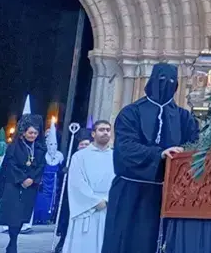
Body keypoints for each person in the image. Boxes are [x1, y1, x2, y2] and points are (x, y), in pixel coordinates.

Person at [102, 63, 199, 253]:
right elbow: (126, 147)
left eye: (171, 81)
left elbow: (194, 146)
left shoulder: (184, 117)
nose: (166, 85)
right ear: (152, 81)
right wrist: (159, 153)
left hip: (168, 193)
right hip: (131, 192)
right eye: (161, 81)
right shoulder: (131, 112)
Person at [62, 120, 114, 253]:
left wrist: (108, 199)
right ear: (93, 133)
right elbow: (76, 183)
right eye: (101, 130)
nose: (105, 132)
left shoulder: (115, 156)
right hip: (85, 209)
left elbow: (118, 181)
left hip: (108, 207)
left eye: (108, 130)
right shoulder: (79, 156)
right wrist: (94, 201)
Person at [0, 115, 46, 253]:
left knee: (22, 215)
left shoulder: (40, 148)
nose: (33, 136)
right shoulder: (14, 146)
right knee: (13, 214)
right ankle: (12, 243)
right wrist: (21, 179)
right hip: (13, 184)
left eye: (35, 133)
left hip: (30, 186)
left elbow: (41, 165)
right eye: (30, 133)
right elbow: (10, 164)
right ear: (24, 132)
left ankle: (14, 239)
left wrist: (32, 178)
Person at [52, 129, 93, 253]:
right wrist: (65, 171)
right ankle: (63, 241)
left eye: (86, 144)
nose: (84, 147)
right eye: (82, 144)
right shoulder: (72, 156)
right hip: (70, 196)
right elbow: (61, 177)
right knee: (67, 219)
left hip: (86, 196)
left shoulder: (93, 158)